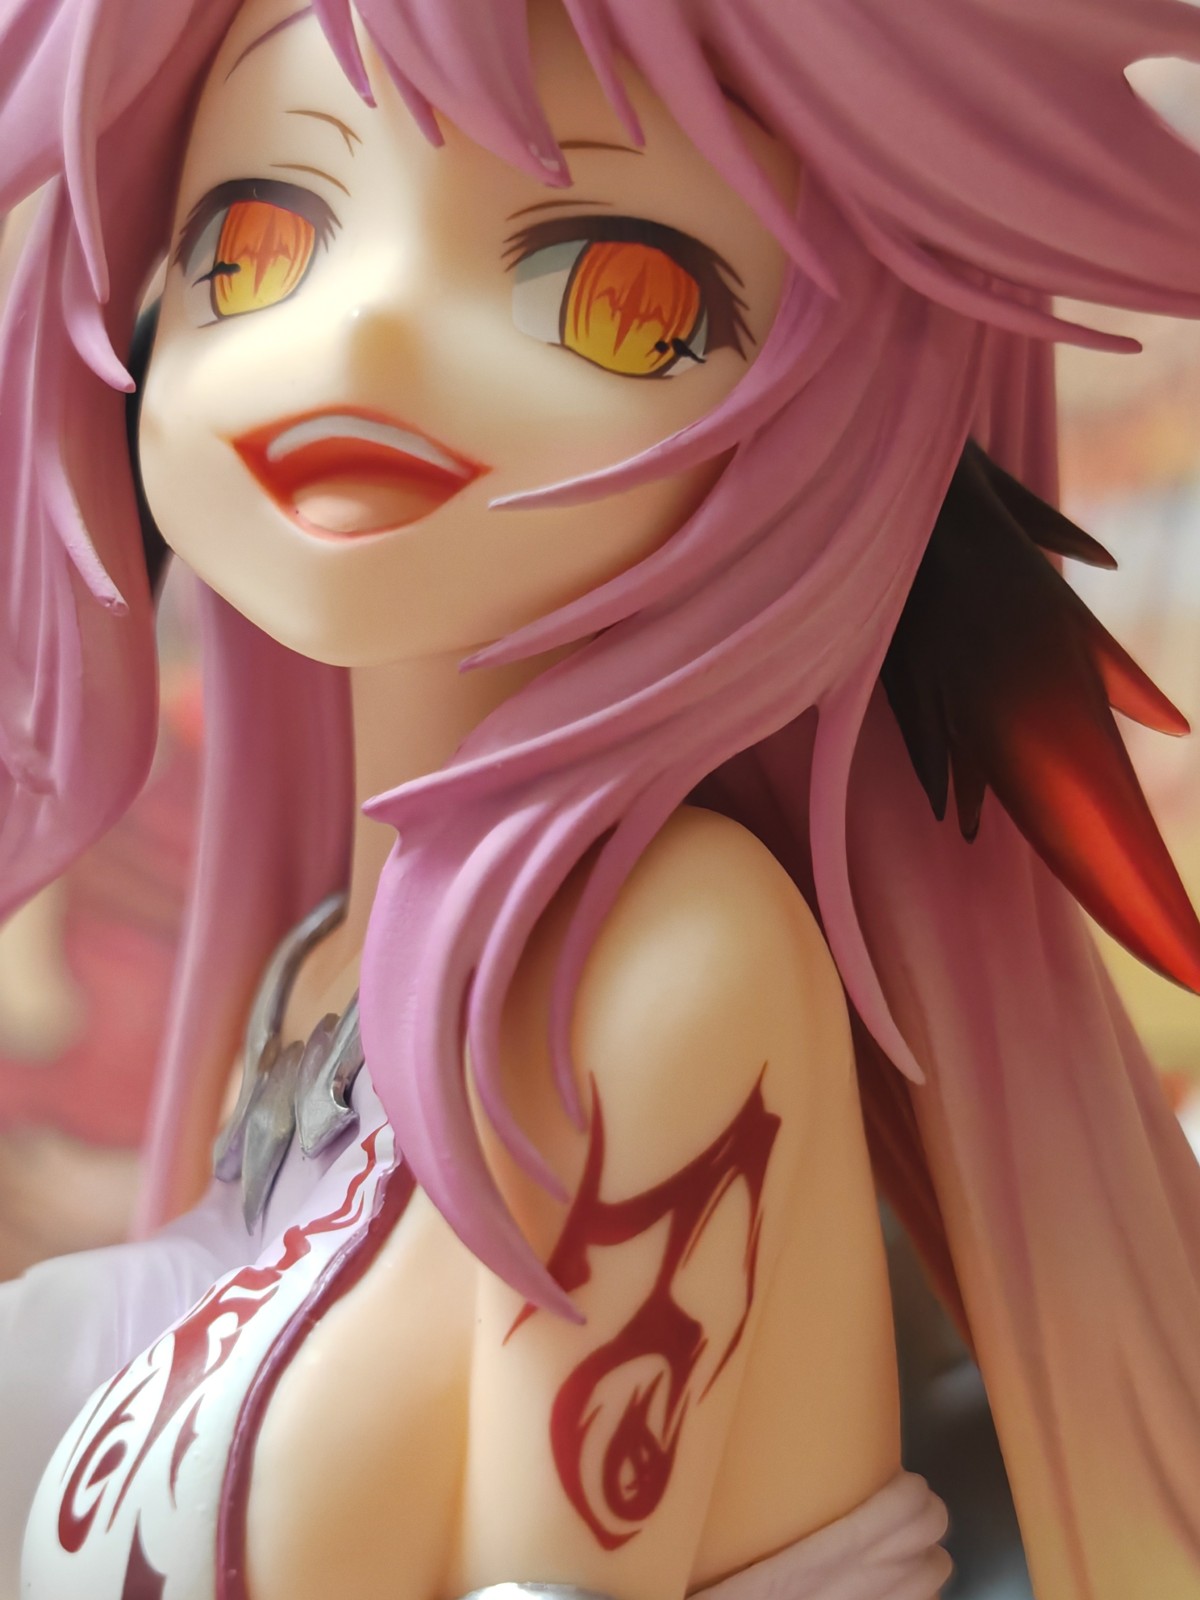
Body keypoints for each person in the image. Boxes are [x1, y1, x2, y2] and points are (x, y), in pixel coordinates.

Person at [2, 1, 1200, 1597]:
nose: (368, 333)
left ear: (847, 403)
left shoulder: (659, 961)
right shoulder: (323, 968)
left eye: (617, 295)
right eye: (256, 248)